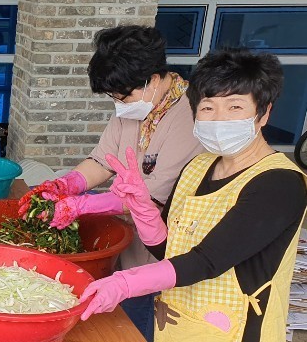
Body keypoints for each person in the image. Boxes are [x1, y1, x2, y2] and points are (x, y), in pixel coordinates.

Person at [79, 49, 307, 342]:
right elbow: (168, 250)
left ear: (264, 113)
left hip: (237, 332)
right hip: (176, 327)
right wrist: (142, 207)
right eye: (208, 108)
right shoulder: (199, 166)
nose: (219, 119)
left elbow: (206, 261)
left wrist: (124, 283)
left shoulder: (278, 183)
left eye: (235, 107)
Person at [19, 25, 205, 339]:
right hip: (130, 244)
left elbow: (150, 197)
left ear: (154, 79)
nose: (118, 104)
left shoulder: (190, 116)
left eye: (123, 96)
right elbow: (102, 160)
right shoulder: (134, 104)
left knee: (136, 327)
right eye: (113, 97)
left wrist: (81, 206)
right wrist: (65, 185)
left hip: (168, 252)